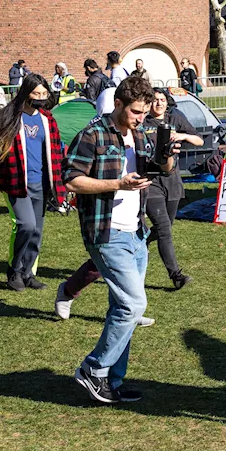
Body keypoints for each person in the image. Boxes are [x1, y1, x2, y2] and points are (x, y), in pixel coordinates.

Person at [66, 75, 176, 405]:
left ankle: (112, 380)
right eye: (135, 112)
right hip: (105, 231)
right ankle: (93, 369)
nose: (141, 118)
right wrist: (118, 184)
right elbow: (71, 180)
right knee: (133, 304)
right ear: (118, 104)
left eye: (144, 112)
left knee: (121, 307)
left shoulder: (140, 131)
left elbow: (162, 169)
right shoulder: (93, 133)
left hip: (136, 231)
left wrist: (167, 155)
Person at [0, 75, 68, 291]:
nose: (41, 98)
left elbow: (56, 151)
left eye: (44, 94)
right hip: (17, 184)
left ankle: (28, 273)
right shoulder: (8, 118)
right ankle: (14, 270)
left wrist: (63, 182)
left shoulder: (48, 119)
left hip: (42, 184)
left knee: (37, 231)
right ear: (26, 93)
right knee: (25, 225)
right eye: (37, 94)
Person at [141, 89, 202, 289]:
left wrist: (182, 135)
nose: (158, 104)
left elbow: (199, 140)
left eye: (162, 100)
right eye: (154, 100)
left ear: (167, 103)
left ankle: (139, 242)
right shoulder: (143, 123)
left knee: (164, 227)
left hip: (173, 181)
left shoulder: (175, 119)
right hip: (152, 182)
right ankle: (176, 276)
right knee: (164, 228)